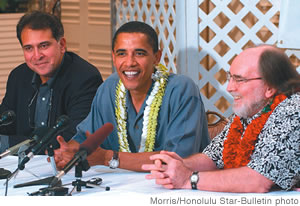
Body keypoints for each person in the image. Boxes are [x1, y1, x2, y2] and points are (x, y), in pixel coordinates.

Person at [54, 21, 210, 172]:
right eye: (122, 54)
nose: (129, 62)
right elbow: (84, 137)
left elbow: (177, 160)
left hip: (179, 190)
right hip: (120, 188)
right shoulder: (109, 88)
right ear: (114, 57)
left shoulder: (181, 90)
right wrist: (69, 152)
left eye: (140, 53)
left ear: (157, 57)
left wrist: (109, 158)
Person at [142, 45, 300, 192]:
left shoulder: (293, 110)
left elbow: (259, 180)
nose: (230, 87)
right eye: (230, 77)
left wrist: (188, 179)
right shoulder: (248, 112)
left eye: (239, 79)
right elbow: (212, 157)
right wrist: (174, 165)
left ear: (270, 87)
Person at [0, 11, 103, 152]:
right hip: (21, 166)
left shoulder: (85, 78)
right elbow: (5, 124)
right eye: (29, 48)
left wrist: (7, 143)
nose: (37, 56)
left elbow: (74, 139)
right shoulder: (18, 76)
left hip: (67, 168)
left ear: (62, 45)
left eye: (44, 46)